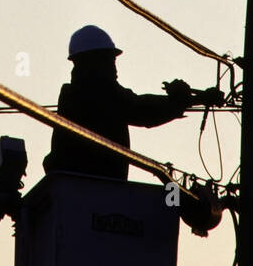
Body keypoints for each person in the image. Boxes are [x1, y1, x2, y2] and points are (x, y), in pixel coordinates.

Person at [43, 25, 198, 182]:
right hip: (96, 189)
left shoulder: (77, 93)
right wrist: (180, 101)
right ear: (93, 62)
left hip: (82, 188)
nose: (114, 67)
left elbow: (136, 105)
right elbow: (141, 110)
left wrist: (185, 101)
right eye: (109, 60)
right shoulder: (96, 93)